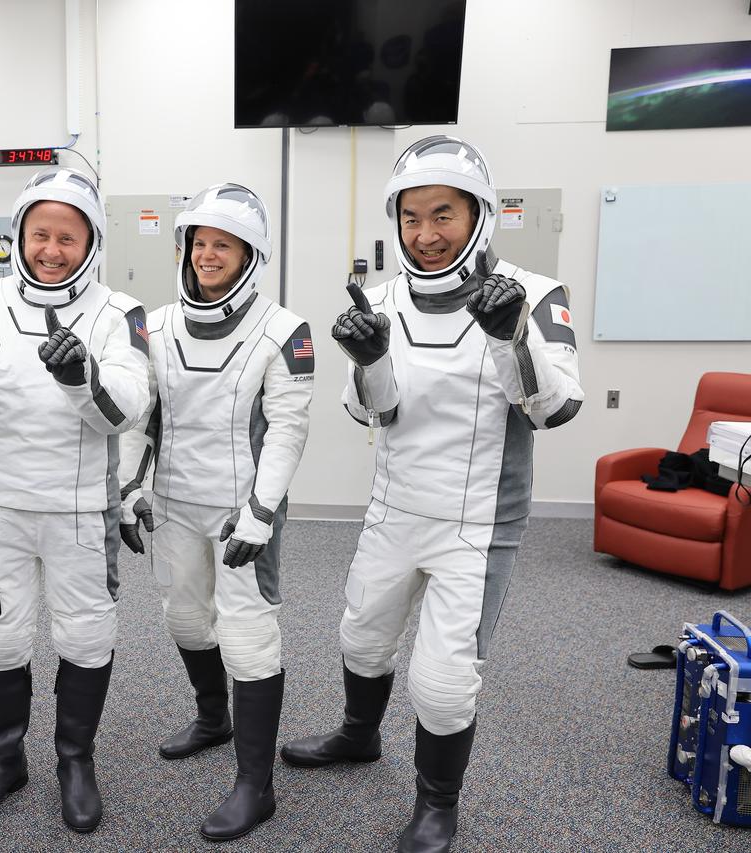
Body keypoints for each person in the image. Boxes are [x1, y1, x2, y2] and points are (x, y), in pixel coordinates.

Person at [279, 136, 584, 853]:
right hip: (393, 509)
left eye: (442, 213)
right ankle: (358, 736)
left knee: (444, 684)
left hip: (477, 525)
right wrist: (369, 359)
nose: (425, 234)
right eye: (411, 218)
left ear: (478, 212)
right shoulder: (381, 299)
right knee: (360, 637)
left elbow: (557, 409)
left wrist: (513, 336)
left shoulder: (534, 293)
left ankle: (437, 803)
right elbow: (371, 413)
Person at [0, 167, 149, 833]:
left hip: (81, 512)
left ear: (92, 243)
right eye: (40, 234)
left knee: (85, 635)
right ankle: (5, 757)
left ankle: (75, 759)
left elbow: (126, 409)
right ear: (19, 235)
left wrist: (82, 378)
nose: (52, 250)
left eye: (68, 239)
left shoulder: (118, 313)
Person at [118, 184, 314, 842]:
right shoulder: (156, 324)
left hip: (241, 518)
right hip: (172, 502)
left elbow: (287, 430)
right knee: (184, 618)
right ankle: (212, 717)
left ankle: (255, 785)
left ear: (250, 254)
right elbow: (142, 418)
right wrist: (127, 487)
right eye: (199, 242)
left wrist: (261, 513)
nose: (206, 254)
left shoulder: (284, 331)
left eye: (221, 244)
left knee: (249, 637)